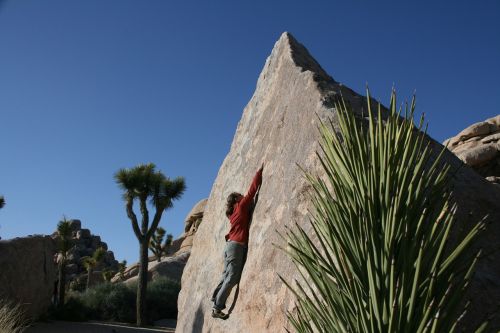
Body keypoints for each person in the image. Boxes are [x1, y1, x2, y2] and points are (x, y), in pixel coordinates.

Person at [211, 163, 264, 319]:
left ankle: (215, 299)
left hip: (230, 247)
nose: (242, 196)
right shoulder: (240, 206)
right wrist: (258, 172)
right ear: (236, 199)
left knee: (225, 275)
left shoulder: (232, 213)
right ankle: (217, 307)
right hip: (236, 247)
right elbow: (252, 190)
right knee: (232, 278)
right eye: (239, 195)